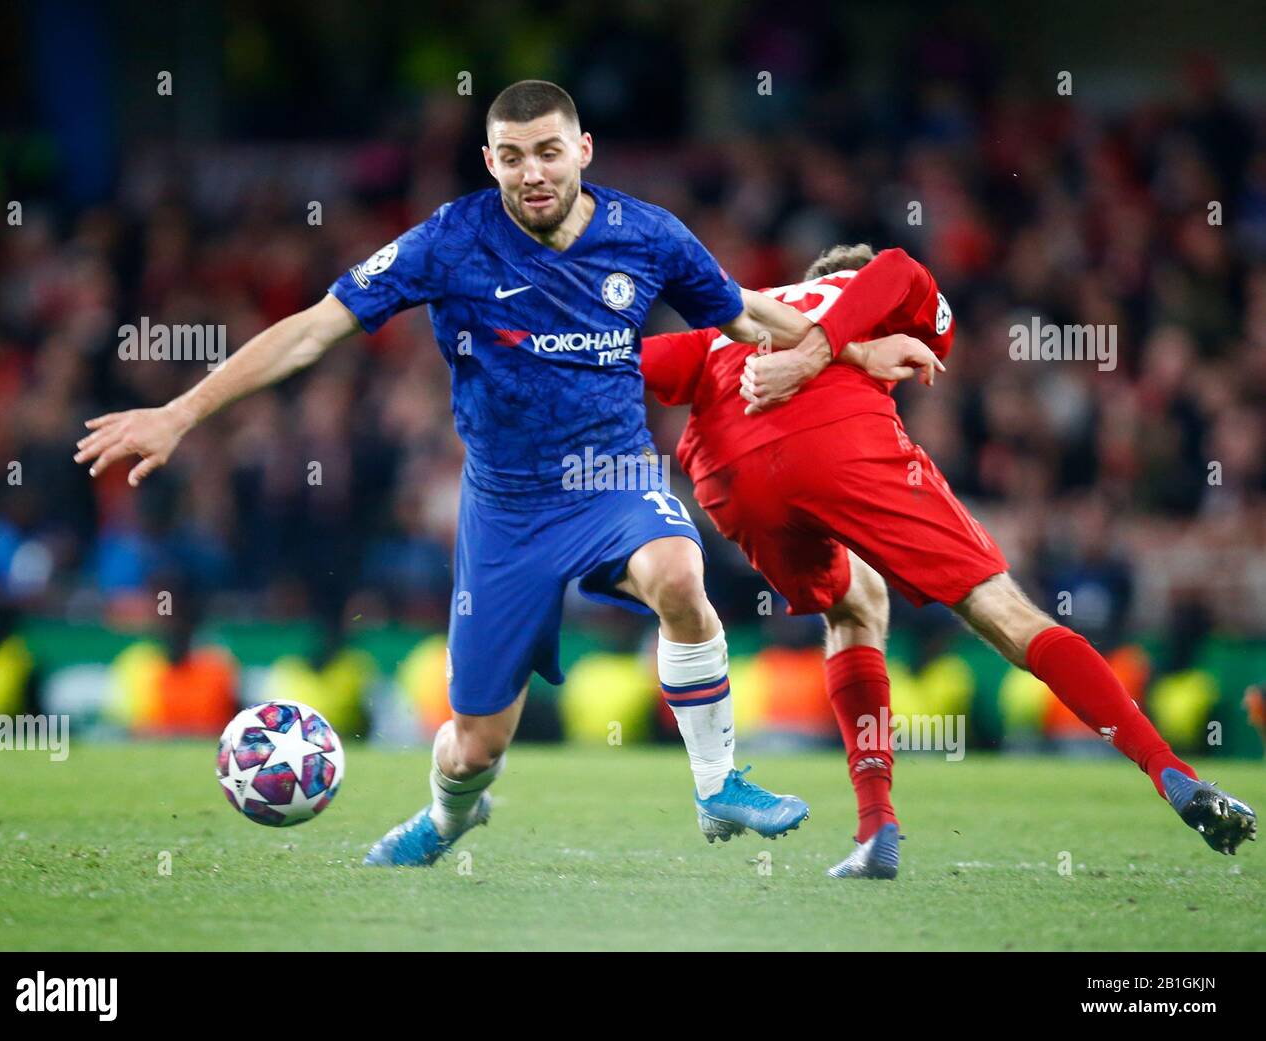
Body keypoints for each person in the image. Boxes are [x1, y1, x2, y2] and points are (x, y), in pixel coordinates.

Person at [74, 81, 902, 865]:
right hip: (505, 506)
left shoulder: (647, 234)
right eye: (512, 156)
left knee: (679, 574)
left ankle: (718, 783)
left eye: (548, 151)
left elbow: (748, 312)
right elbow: (312, 329)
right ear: (489, 162)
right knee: (476, 742)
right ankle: (448, 814)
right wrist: (178, 413)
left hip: (613, 474)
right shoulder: (451, 239)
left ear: (583, 148)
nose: (532, 172)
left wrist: (850, 347)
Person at [640, 243, 1258, 878]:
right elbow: (902, 270)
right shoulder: (856, 295)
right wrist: (819, 353)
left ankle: (876, 827)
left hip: (729, 476)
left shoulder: (740, 319)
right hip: (838, 440)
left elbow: (628, 363)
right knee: (1003, 610)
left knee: (856, 605)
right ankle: (1171, 771)